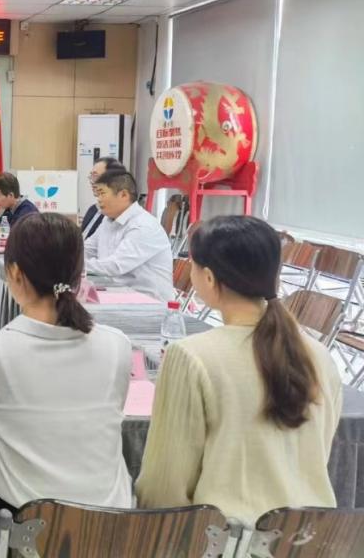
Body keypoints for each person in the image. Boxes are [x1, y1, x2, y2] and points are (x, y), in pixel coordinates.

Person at [135, 216, 342, 526]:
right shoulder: (319, 355)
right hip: (311, 535)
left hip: (224, 537)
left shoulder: (191, 356)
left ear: (208, 277)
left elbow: (164, 486)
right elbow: (317, 455)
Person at [0, 213, 133, 557]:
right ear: (79, 275)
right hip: (109, 531)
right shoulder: (117, 345)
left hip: (24, 533)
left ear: (14, 273)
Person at [85, 169, 174, 302]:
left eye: (102, 193)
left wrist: (73, 265)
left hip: (149, 303)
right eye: (97, 195)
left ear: (124, 195)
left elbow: (115, 266)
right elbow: (87, 249)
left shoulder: (143, 226)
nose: (98, 200)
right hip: (119, 294)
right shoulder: (108, 221)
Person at [81, 157, 126, 239]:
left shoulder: (119, 215)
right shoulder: (93, 209)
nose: (92, 181)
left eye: (95, 176)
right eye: (91, 176)